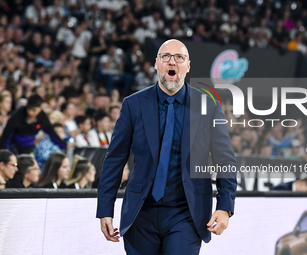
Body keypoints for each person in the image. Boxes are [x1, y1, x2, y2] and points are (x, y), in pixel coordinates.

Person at [96, 39, 237, 255]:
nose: (172, 62)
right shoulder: (133, 105)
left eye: (179, 58)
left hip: (186, 214)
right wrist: (105, 208)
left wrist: (225, 206)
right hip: (140, 213)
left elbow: (225, 159)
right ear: (156, 64)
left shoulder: (208, 106)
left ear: (188, 66)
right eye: (165, 57)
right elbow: (115, 159)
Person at [0, 94, 67, 154]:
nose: (30, 112)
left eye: (34, 110)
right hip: (14, 146)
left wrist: (64, 145)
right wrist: (7, 154)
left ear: (40, 109)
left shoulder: (43, 118)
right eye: (29, 109)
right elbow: (6, 137)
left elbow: (52, 134)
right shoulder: (17, 116)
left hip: (28, 147)